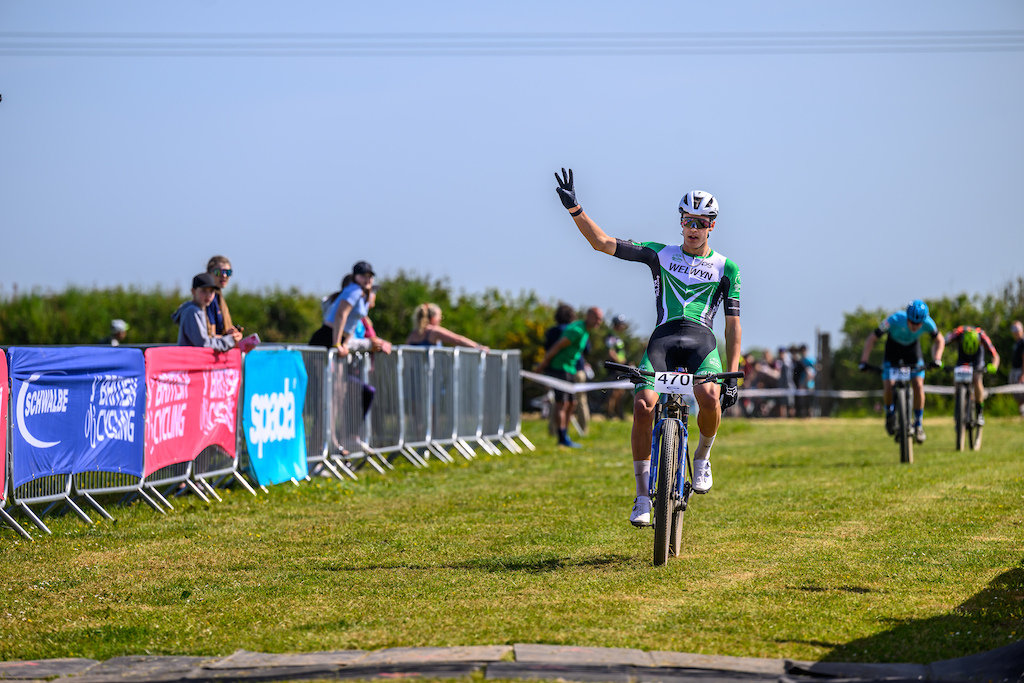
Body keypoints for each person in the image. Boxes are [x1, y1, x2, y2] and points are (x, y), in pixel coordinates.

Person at [554, 168, 741, 527]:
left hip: (702, 341)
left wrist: (731, 375)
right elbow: (603, 243)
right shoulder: (659, 254)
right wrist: (575, 209)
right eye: (689, 220)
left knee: (710, 398)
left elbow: (733, 325)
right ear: (681, 221)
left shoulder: (726, 267)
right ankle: (642, 495)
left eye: (702, 222)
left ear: (712, 226)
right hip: (664, 340)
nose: (694, 227)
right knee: (642, 405)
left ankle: (702, 458)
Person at [859, 300, 945, 442]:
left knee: (918, 384)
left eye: (919, 324)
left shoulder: (928, 323)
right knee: (888, 385)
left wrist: (937, 358)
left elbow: (940, 340)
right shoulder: (895, 319)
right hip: (892, 352)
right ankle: (889, 413)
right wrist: (864, 361)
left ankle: (918, 423)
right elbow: (872, 338)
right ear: (907, 318)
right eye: (912, 322)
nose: (915, 326)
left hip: (912, 352)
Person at [534, 306, 604, 448]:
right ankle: (561, 438)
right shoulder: (576, 330)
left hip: (570, 369)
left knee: (572, 403)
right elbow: (557, 347)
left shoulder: (585, 330)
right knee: (562, 404)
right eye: (597, 318)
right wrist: (542, 365)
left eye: (601, 319)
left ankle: (565, 435)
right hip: (560, 368)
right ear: (588, 316)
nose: (599, 321)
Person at [309, 261, 375, 352]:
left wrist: (344, 343)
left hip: (341, 338)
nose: (367, 279)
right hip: (327, 337)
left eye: (370, 277)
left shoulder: (364, 295)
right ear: (355, 277)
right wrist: (337, 343)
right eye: (363, 276)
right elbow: (341, 315)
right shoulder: (354, 290)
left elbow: (353, 322)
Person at [944, 325, 1000, 425]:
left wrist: (994, 366)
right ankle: (959, 407)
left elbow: (995, 355)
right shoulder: (958, 333)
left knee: (977, 379)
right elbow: (941, 342)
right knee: (957, 380)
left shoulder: (982, 336)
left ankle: (979, 412)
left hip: (977, 359)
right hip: (962, 359)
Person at [172, 273, 243, 350]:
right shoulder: (193, 311)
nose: (208, 295)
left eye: (211, 291)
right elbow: (203, 344)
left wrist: (226, 337)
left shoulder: (200, 310)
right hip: (191, 360)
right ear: (193, 291)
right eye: (204, 291)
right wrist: (230, 341)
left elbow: (206, 339)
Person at [406, 303, 488, 351]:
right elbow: (457, 340)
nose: (441, 319)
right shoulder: (434, 331)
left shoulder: (413, 334)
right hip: (431, 376)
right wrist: (478, 347)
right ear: (433, 319)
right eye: (440, 317)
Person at [605, 315, 629, 419]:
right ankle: (609, 414)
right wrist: (619, 361)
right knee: (613, 392)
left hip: (621, 366)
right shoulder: (611, 336)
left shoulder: (618, 337)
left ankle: (619, 413)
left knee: (620, 392)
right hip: (615, 367)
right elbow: (610, 352)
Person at [205, 255, 236, 336]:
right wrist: (230, 339)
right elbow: (211, 336)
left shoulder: (218, 297)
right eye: (218, 272)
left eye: (228, 272)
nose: (224, 276)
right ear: (208, 274)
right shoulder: (208, 299)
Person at [1010, 320, 1024, 417]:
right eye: (1013, 329)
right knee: (1018, 396)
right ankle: (1021, 415)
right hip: (1015, 370)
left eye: (1017, 329)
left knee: (1022, 395)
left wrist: (1023, 374)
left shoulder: (1023, 342)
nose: (1015, 332)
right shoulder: (1017, 343)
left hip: (1020, 371)